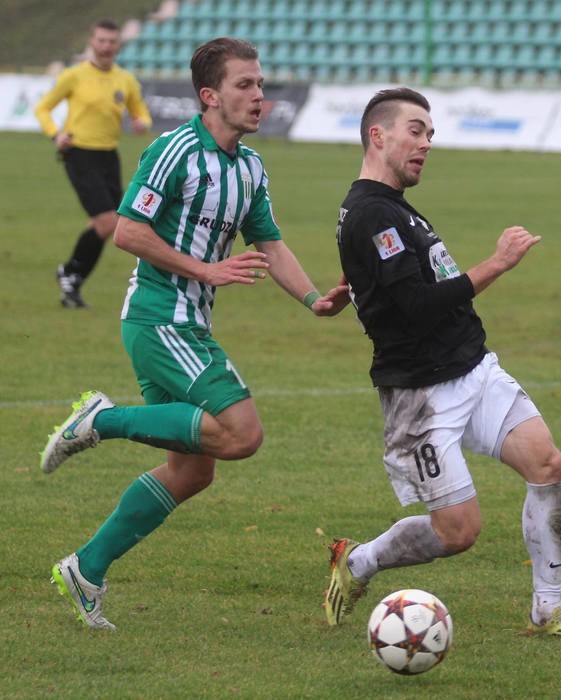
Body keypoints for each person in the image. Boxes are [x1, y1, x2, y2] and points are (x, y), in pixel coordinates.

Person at [40, 37, 349, 630]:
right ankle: (100, 420)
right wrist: (206, 269)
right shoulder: (174, 148)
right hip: (159, 317)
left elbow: (269, 243)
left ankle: (85, 568)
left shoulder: (250, 167)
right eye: (244, 86)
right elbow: (128, 231)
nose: (260, 96)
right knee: (242, 433)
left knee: (191, 470)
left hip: (188, 321)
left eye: (261, 84)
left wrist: (313, 299)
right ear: (209, 96)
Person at [324, 87, 561, 642]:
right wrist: (498, 263)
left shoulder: (390, 208)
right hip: (421, 395)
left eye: (430, 133)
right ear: (377, 136)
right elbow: (414, 304)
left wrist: (357, 287)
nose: (426, 143)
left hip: (474, 369)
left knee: (548, 464)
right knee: (458, 532)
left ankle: (548, 612)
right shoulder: (371, 212)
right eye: (415, 130)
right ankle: (357, 563)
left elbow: (394, 280)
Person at [34, 17, 152, 308]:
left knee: (109, 224)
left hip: (109, 156)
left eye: (112, 41)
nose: (106, 46)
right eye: (101, 40)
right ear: (92, 43)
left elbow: (141, 112)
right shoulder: (74, 76)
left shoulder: (125, 80)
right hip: (79, 153)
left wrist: (141, 122)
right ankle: (72, 272)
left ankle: (70, 277)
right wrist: (55, 134)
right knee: (107, 221)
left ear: (118, 45)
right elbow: (43, 107)